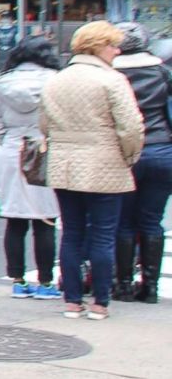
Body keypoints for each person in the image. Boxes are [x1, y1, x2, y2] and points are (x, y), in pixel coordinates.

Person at [40, 21, 144, 320]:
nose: (117, 50)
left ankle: (72, 300)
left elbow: (44, 125)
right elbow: (131, 126)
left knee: (71, 232)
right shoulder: (112, 80)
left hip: (65, 164)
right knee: (102, 235)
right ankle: (100, 301)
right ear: (98, 46)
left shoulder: (56, 80)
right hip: (104, 162)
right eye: (112, 45)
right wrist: (130, 155)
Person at [0, 36, 62, 299]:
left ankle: (18, 280)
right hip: (44, 147)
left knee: (15, 219)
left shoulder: (2, 83)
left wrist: (10, 140)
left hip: (13, 147)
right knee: (45, 219)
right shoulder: (55, 81)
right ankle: (45, 282)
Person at [111, 22, 172, 303]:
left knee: (122, 221)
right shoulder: (162, 72)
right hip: (161, 150)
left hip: (123, 152)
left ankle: (123, 285)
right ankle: (150, 288)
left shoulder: (110, 74)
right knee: (151, 221)